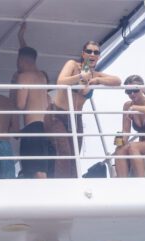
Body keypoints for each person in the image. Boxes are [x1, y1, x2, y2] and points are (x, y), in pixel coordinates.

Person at [47, 41, 120, 178]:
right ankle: (62, 187)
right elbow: (60, 82)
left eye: (96, 52)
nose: (92, 54)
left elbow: (117, 81)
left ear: (98, 56)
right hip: (58, 114)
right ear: (83, 53)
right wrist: (80, 76)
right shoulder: (73, 65)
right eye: (89, 51)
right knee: (65, 152)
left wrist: (98, 81)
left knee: (75, 155)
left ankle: (74, 186)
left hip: (76, 118)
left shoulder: (96, 75)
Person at [11, 24, 53, 178]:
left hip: (32, 127)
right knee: (42, 167)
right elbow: (27, 54)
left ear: (21, 60)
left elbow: (20, 105)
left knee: (35, 170)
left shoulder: (24, 77)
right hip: (44, 127)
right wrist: (21, 38)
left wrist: (14, 88)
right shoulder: (41, 76)